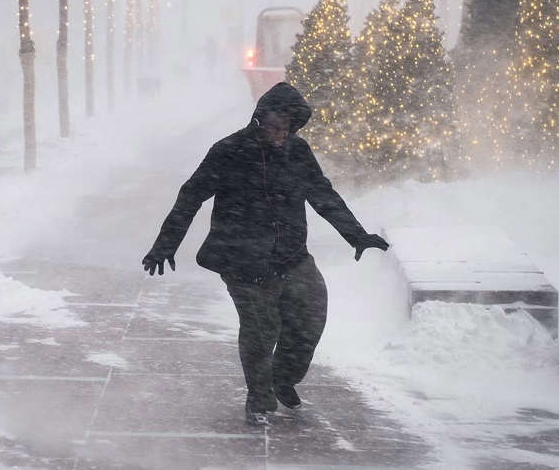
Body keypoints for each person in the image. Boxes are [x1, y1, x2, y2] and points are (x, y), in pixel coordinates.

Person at [141, 82, 389, 426]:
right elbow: (191, 196)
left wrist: (356, 235)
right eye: (275, 127)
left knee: (310, 318)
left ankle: (282, 378)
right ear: (258, 119)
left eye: (287, 129)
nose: (280, 136)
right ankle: (258, 398)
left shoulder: (297, 150)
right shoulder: (229, 150)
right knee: (261, 331)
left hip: (292, 256)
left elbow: (322, 194)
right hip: (243, 263)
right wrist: (165, 245)